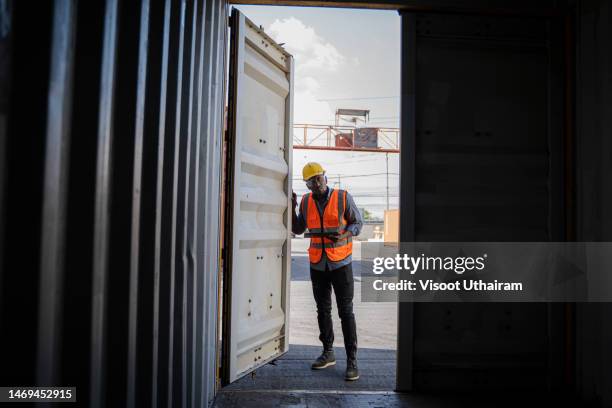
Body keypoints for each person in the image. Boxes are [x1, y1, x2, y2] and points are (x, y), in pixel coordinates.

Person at [291, 162, 363, 381]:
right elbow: (297, 229)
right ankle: (328, 352)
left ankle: (352, 361)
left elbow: (358, 223)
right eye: (312, 181)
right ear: (307, 184)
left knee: (345, 311)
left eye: (319, 178)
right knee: (323, 310)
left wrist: (343, 235)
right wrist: (292, 206)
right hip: (318, 263)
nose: (317, 183)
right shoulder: (305, 201)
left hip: (341, 263)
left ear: (325, 177)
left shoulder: (343, 197)